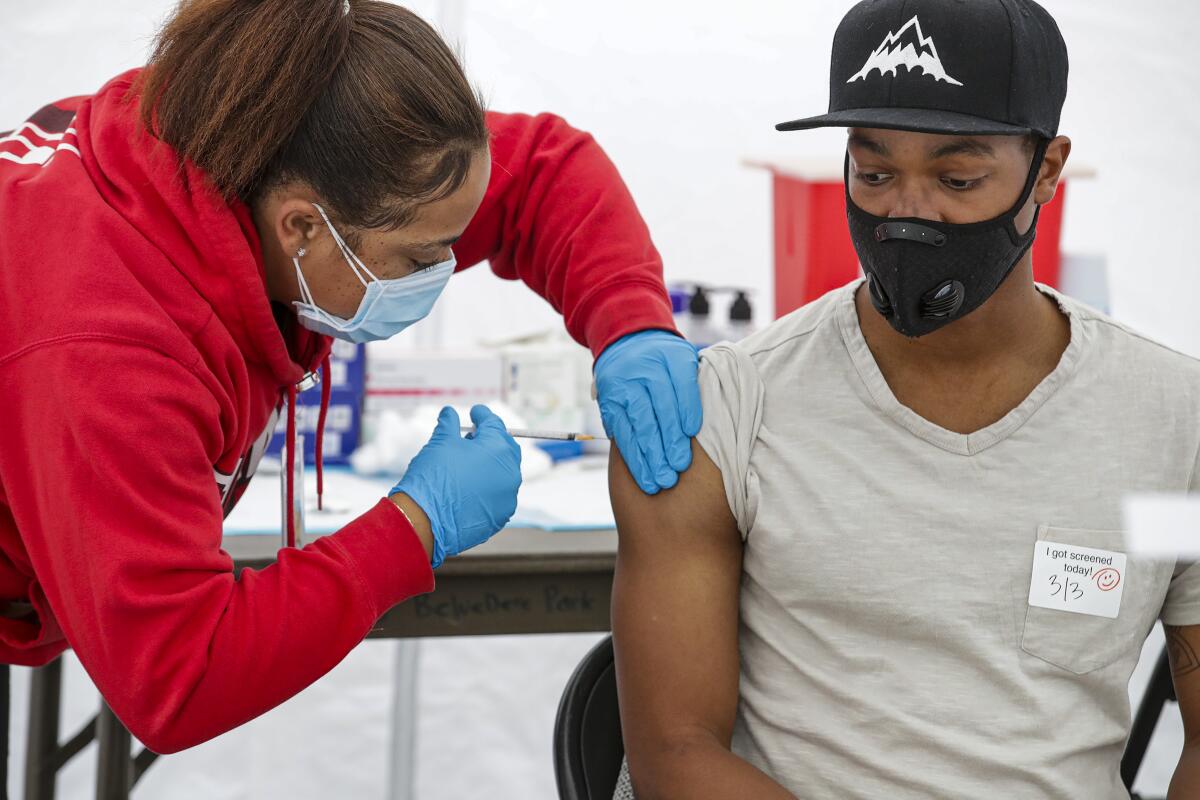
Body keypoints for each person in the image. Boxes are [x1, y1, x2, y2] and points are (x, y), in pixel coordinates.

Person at [0, 0, 700, 755]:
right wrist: (414, 525)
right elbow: (179, 676)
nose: (443, 271)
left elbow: (541, 173)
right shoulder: (106, 350)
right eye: (418, 260)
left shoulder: (264, 134)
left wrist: (631, 322)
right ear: (300, 227)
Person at [609, 1, 1200, 798]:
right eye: (875, 171)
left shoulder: (1172, 421)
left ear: (1048, 171)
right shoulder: (728, 411)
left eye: (957, 178)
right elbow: (674, 755)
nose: (905, 211)